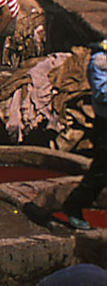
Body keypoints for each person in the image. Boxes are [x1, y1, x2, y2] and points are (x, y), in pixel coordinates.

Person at [58, 37, 107, 222]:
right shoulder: (100, 62)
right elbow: (102, 93)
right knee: (100, 172)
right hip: (105, 126)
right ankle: (73, 205)